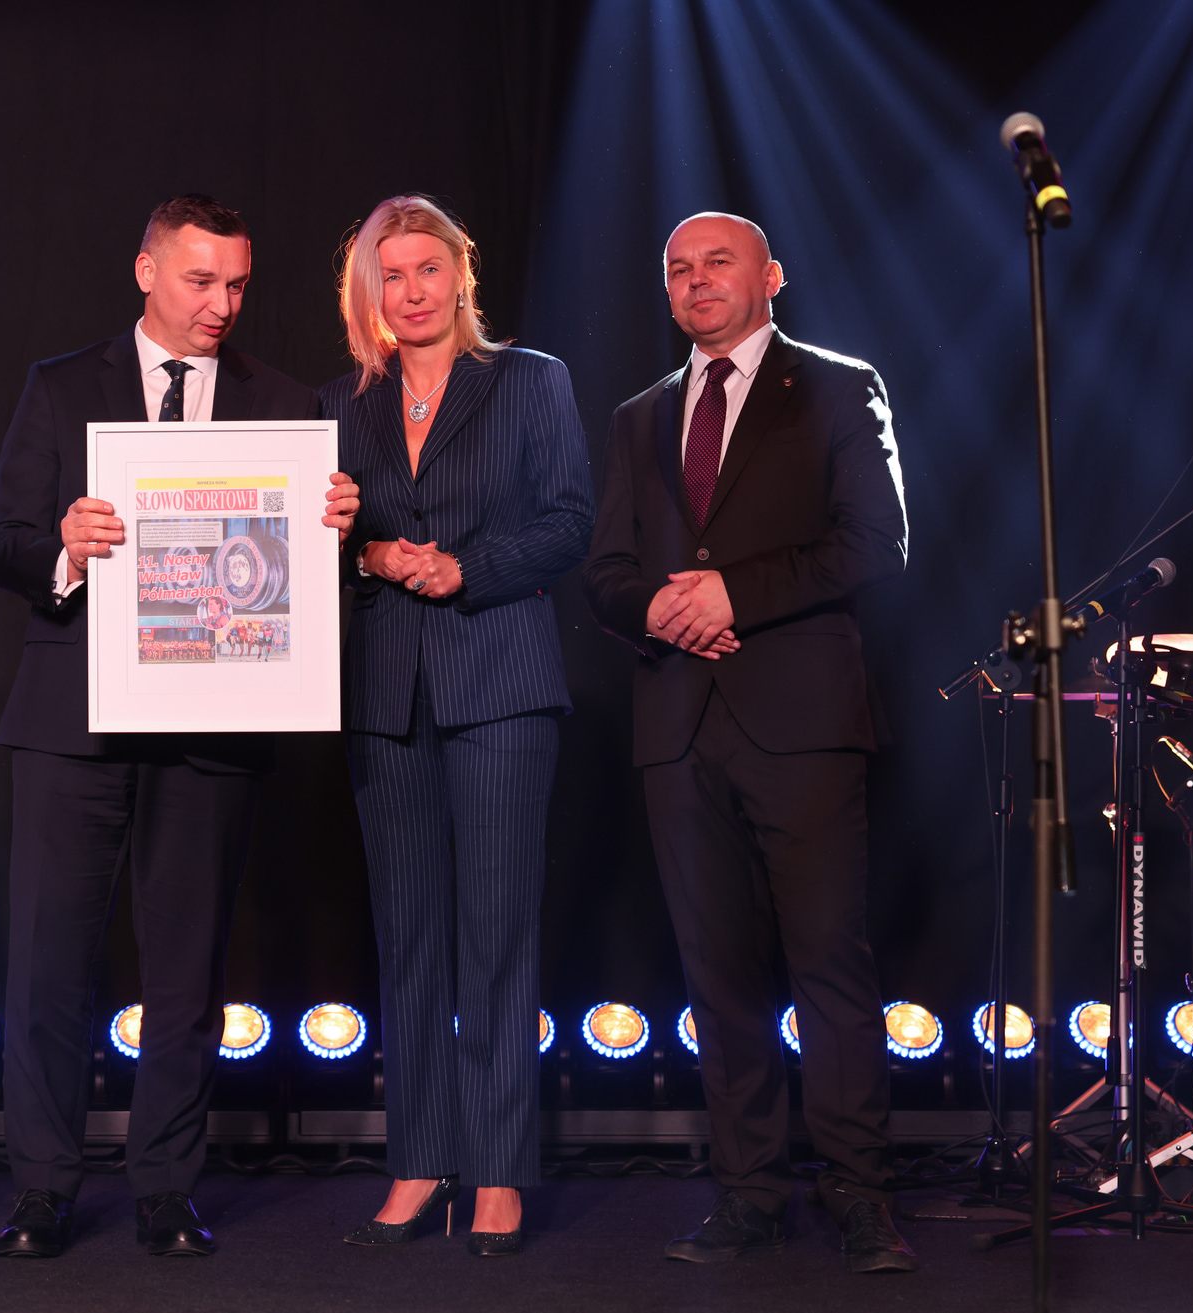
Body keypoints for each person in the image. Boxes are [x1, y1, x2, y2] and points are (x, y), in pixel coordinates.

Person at [0, 194, 358, 1259]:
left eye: (237, 284)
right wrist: (63, 543)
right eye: (200, 281)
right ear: (146, 271)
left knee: (188, 971)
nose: (221, 304)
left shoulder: (285, 405)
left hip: (214, 723)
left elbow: (295, 582)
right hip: (71, 719)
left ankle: (165, 1191)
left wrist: (331, 530)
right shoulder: (61, 386)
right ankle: (41, 1189)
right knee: (49, 964)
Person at [581, 213, 915, 1272]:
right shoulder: (639, 415)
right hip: (679, 727)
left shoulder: (837, 386)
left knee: (829, 968)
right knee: (718, 978)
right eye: (677, 268)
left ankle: (860, 1194)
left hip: (803, 723)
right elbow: (605, 570)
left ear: (772, 275)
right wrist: (661, 610)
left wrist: (735, 594)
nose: (696, 281)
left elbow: (877, 541)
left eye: (717, 262)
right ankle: (749, 1194)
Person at [319, 195, 593, 1257]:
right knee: (409, 937)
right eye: (391, 275)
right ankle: (420, 1159)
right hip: (386, 693)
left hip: (501, 683)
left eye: (428, 268)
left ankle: (497, 1169)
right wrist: (370, 552)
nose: (412, 291)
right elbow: (311, 540)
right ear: (370, 293)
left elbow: (569, 521)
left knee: (497, 933)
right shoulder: (344, 405)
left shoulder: (531, 380)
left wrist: (465, 568)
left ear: (461, 275)